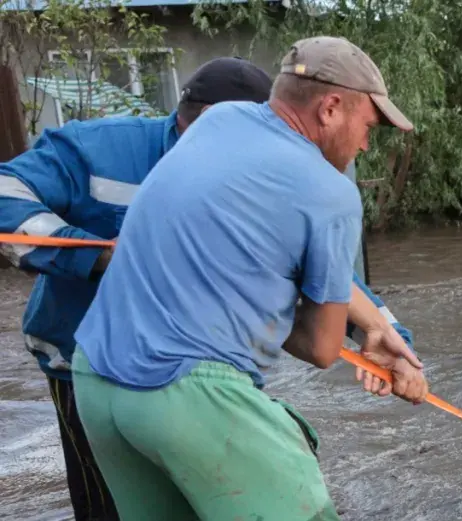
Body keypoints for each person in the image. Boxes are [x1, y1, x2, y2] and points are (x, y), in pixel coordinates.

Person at [69, 36, 421, 521]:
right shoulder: (332, 193)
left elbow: (230, 249)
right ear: (332, 108)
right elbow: (321, 348)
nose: (365, 142)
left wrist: (375, 328)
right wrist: (352, 336)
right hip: (187, 395)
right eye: (369, 126)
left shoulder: (217, 120)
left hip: (96, 382)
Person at [0, 56, 274, 521]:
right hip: (86, 371)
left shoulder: (257, 173)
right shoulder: (99, 150)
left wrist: (378, 331)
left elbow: (313, 264)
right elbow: (5, 192)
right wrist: (98, 256)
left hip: (206, 376)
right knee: (109, 510)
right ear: (211, 122)